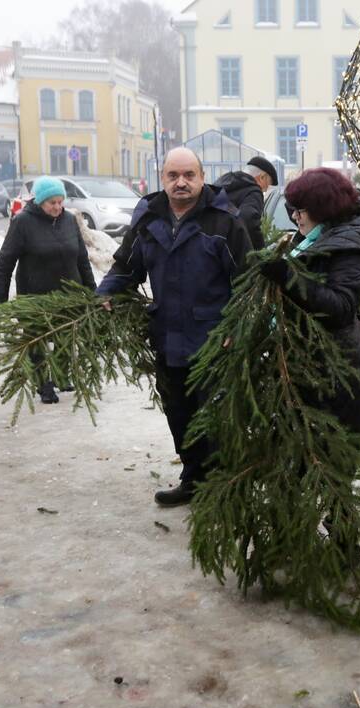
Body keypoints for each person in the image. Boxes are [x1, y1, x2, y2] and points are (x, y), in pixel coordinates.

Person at [98, 147, 252, 507]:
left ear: (201, 178)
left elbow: (246, 282)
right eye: (173, 176)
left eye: (189, 175)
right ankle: (192, 479)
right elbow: (126, 267)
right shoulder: (149, 219)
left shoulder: (224, 221)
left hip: (214, 342)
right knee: (179, 415)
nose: (181, 182)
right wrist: (104, 293)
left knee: (213, 419)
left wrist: (236, 327)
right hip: (167, 338)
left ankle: (221, 488)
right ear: (162, 179)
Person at [259, 167, 360, 433]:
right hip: (308, 364)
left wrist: (289, 277)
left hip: (333, 370)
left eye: (300, 210)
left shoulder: (350, 248)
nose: (294, 216)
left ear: (321, 210)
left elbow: (340, 308)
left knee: (328, 450)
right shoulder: (314, 238)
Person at [0, 176, 97, 405]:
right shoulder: (23, 223)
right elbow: (4, 263)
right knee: (37, 341)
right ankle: (43, 384)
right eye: (52, 203)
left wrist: (93, 292)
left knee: (66, 337)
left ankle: (60, 374)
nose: (58, 207)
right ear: (39, 201)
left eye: (61, 202)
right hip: (35, 296)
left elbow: (82, 259)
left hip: (69, 295)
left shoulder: (69, 220)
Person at [215, 156, 279, 251]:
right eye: (267, 185)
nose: (265, 190)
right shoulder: (253, 191)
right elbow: (248, 220)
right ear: (262, 177)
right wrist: (260, 252)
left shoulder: (223, 182)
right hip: (229, 252)